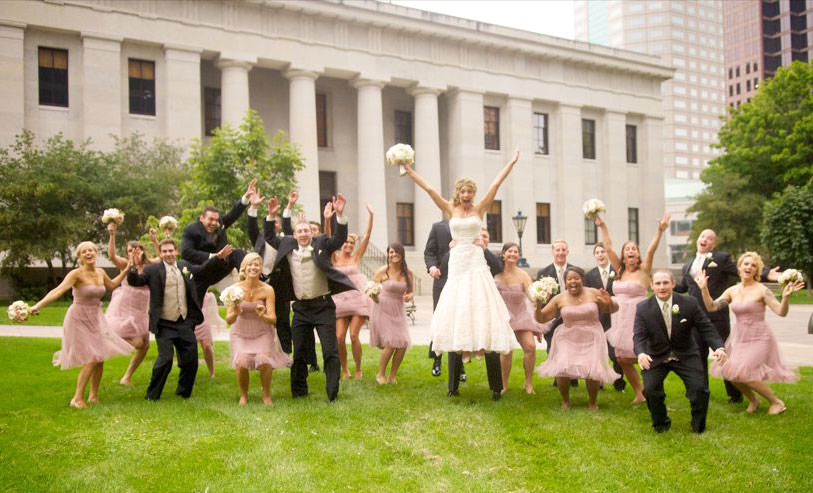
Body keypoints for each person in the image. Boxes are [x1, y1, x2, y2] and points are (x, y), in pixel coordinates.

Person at [404, 150, 519, 400]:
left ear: (474, 194)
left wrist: (510, 162)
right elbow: (429, 189)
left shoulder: (481, 208)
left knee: (483, 312)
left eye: (470, 192)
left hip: (476, 262)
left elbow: (496, 184)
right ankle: (453, 385)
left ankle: (496, 387)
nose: (467, 196)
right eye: (463, 192)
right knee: (456, 313)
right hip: (457, 264)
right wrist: (409, 170)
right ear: (458, 193)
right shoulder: (449, 208)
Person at [265, 193, 356, 402]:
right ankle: (299, 391)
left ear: (311, 233)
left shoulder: (322, 243)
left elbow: (339, 239)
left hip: (323, 307)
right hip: (301, 309)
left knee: (329, 351)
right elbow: (270, 237)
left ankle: (332, 392)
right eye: (300, 231)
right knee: (298, 354)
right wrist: (271, 216)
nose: (304, 234)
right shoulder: (288, 246)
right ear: (294, 234)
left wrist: (339, 216)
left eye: (306, 230)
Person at [674, 229, 780, 404]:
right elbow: (684, 288)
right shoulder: (688, 265)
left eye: (709, 238)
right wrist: (670, 286)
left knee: (724, 357)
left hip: (717, 318)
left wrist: (768, 273)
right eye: (702, 236)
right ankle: (702, 393)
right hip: (695, 319)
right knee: (697, 356)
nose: (705, 239)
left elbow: (743, 270)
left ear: (713, 244)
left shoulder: (721, 259)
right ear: (697, 240)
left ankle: (736, 395)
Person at [696, 252, 802, 415]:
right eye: (746, 264)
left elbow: (781, 312)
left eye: (753, 265)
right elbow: (712, 307)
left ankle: (776, 402)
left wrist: (786, 298)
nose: (749, 267)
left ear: (756, 270)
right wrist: (704, 289)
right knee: (730, 372)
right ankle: (754, 400)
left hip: (760, 337)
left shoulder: (762, 290)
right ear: (739, 267)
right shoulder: (732, 291)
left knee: (745, 373)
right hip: (740, 337)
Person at [30, 241, 133, 408]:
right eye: (84, 251)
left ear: (96, 254)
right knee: (93, 357)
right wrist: (37, 306)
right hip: (78, 317)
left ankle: (93, 396)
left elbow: (112, 285)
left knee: (100, 358)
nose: (89, 253)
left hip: (96, 317)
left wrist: (126, 270)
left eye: (91, 250)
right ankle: (77, 398)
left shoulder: (100, 272)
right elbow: (58, 290)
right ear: (80, 257)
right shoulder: (76, 274)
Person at [127, 239, 231, 401]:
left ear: (176, 251)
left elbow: (202, 269)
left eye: (170, 251)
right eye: (164, 251)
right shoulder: (153, 270)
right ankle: (152, 396)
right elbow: (135, 281)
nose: (168, 254)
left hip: (184, 322)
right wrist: (133, 266)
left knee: (191, 360)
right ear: (160, 254)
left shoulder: (185, 266)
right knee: (165, 360)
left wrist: (217, 257)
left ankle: (183, 393)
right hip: (164, 323)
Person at [633, 270, 728, 433]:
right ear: (651, 286)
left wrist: (718, 347)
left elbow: (706, 327)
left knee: (699, 388)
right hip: (656, 355)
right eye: (658, 283)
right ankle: (661, 423)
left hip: (685, 353)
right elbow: (639, 336)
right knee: (650, 389)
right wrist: (641, 353)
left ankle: (698, 424)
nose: (662, 287)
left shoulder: (689, 303)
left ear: (673, 284)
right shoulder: (643, 308)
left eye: (665, 283)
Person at [595, 212, 670, 405]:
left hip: (640, 318)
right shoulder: (618, 271)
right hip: (620, 319)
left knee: (644, 357)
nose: (630, 252)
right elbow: (608, 247)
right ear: (623, 255)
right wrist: (602, 226)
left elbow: (652, 250)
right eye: (627, 249)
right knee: (622, 358)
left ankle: (653, 388)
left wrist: (660, 231)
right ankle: (639, 392)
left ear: (638, 255)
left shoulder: (644, 271)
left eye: (634, 249)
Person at [535, 267, 620, 410]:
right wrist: (537, 307)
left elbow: (613, 309)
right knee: (562, 367)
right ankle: (565, 401)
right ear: (565, 282)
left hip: (592, 335)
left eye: (576, 278)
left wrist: (608, 301)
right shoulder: (559, 298)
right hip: (567, 336)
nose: (573, 281)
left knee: (592, 369)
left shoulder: (593, 293)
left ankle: (592, 402)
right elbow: (542, 318)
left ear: (582, 280)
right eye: (569, 279)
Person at [441, 227, 503, 395]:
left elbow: (498, 267)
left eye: (485, 236)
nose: (481, 238)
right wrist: (451, 249)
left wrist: (483, 248)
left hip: (484, 303)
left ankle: (496, 388)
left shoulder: (486, 253)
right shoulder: (460, 252)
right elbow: (444, 267)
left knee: (490, 342)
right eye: (479, 235)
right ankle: (452, 388)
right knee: (457, 340)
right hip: (461, 303)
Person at [225, 253, 293, 405]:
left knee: (264, 360)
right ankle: (244, 395)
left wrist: (262, 315)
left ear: (261, 269)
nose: (253, 267)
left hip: (262, 331)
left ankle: (266, 395)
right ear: (244, 268)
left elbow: (273, 318)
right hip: (240, 333)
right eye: (250, 264)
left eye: (256, 265)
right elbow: (228, 320)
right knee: (241, 361)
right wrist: (235, 312)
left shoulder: (267, 290)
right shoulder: (234, 290)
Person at [105, 222, 157, 386]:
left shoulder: (149, 265)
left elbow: (162, 257)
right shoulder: (125, 265)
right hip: (125, 307)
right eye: (129, 251)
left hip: (141, 310)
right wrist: (112, 234)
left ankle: (126, 377)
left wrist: (155, 240)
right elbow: (111, 255)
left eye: (137, 250)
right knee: (138, 343)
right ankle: (111, 336)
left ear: (142, 250)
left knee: (145, 345)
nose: (133, 253)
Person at [180, 179, 256, 288]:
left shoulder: (219, 223)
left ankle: (249, 282)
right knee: (196, 300)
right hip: (202, 270)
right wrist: (214, 256)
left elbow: (233, 214)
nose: (214, 223)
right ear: (202, 218)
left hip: (220, 266)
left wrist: (246, 197)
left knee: (237, 253)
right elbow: (186, 252)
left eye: (216, 220)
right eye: (210, 220)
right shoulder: (190, 230)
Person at [331, 203, 375, 380]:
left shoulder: (356, 257)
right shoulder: (334, 257)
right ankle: (344, 369)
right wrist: (329, 218)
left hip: (357, 300)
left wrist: (371, 216)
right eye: (346, 242)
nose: (349, 245)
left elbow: (367, 236)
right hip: (340, 301)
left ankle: (358, 368)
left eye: (351, 243)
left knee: (354, 335)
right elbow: (327, 235)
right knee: (340, 337)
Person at [495, 242, 544, 395]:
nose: (513, 254)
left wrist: (539, 298)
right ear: (503, 254)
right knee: (506, 350)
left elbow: (531, 295)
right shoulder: (495, 273)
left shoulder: (523, 275)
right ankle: (504, 384)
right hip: (503, 316)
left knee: (531, 347)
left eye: (516, 252)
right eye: (510, 251)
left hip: (521, 314)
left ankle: (528, 383)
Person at [247, 196, 293, 356]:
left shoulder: (284, 241)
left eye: (276, 222)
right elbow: (251, 227)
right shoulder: (259, 237)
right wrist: (253, 207)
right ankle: (259, 353)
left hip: (280, 286)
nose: (273, 224)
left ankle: (286, 355)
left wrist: (288, 208)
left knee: (282, 321)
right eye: (271, 221)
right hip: (259, 284)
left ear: (278, 225)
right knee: (259, 320)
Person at [424, 219, 464, 382]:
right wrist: (432, 266)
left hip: (463, 281)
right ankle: (437, 360)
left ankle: (460, 365)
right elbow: (429, 252)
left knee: (460, 323)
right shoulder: (438, 227)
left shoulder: (468, 225)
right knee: (440, 321)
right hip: (442, 280)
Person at [535, 240, 578, 388]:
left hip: (571, 314)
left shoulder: (575, 271)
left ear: (567, 251)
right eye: (557, 250)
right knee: (553, 346)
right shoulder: (543, 273)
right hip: (552, 317)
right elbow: (539, 298)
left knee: (573, 346)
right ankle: (558, 375)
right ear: (553, 252)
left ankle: (573, 376)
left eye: (563, 250)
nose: (560, 253)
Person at [583, 242, 626, 392]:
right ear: (595, 256)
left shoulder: (618, 272)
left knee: (615, 352)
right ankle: (599, 381)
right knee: (598, 350)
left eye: (603, 252)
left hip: (616, 316)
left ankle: (619, 383)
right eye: (598, 252)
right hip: (598, 318)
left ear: (607, 254)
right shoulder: (588, 275)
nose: (601, 255)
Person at [370, 242, 413, 385]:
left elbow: (410, 291)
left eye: (396, 252)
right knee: (392, 343)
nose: (393, 255)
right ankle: (380, 374)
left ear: (402, 254)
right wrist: (374, 295)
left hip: (398, 310)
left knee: (403, 343)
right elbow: (371, 290)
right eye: (391, 252)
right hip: (382, 308)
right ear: (388, 254)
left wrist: (409, 296)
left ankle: (392, 375)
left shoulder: (408, 273)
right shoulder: (382, 271)